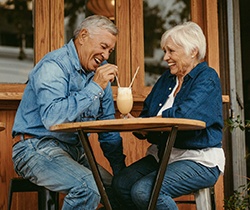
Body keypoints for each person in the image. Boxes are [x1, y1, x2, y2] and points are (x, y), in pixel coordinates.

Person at [12, 15, 126, 210]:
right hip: (34, 148)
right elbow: (53, 118)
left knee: (121, 194)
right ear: (83, 36)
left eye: (110, 50)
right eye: (103, 46)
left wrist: (121, 173)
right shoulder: (54, 66)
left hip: (74, 152)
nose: (106, 55)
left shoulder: (99, 74)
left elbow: (108, 128)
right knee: (88, 188)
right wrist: (95, 86)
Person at [112, 21, 225, 209]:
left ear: (193, 51)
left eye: (171, 51)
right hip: (163, 155)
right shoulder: (167, 79)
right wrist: (141, 127)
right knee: (121, 185)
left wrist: (149, 123)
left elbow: (184, 115)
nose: (165, 57)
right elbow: (147, 114)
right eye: (165, 51)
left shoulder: (207, 77)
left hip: (198, 159)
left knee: (143, 191)